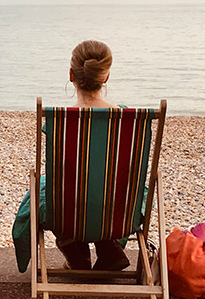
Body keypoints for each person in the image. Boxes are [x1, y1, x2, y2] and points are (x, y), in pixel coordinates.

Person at [11, 39, 130, 272]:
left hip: (67, 210)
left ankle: (74, 249)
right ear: (106, 77)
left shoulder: (58, 122)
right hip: (117, 207)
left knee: (46, 189)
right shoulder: (125, 118)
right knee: (114, 187)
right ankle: (108, 245)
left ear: (71, 74)